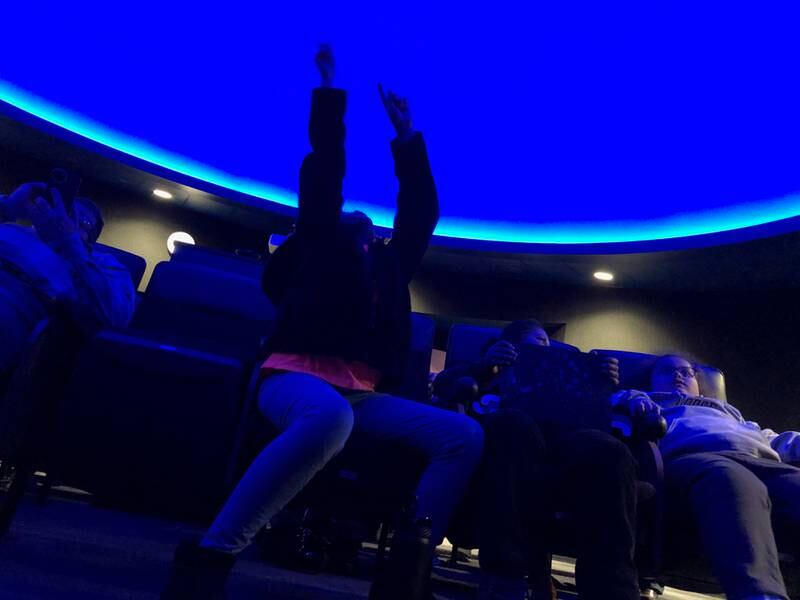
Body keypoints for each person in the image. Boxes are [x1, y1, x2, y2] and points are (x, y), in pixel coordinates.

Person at [162, 46, 484, 600]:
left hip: (363, 394)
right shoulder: (317, 247)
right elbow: (325, 169)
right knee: (328, 417)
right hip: (293, 379)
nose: (355, 214)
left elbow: (420, 214)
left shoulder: (389, 265)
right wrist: (330, 92)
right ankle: (214, 552)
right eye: (342, 214)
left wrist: (407, 138)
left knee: (463, 435)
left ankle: (407, 569)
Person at [435, 319, 641, 600]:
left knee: (611, 451)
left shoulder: (567, 374)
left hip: (567, 443)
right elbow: (443, 386)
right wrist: (484, 367)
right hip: (509, 447)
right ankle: (505, 578)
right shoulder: (485, 371)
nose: (544, 347)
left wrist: (600, 382)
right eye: (534, 341)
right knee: (514, 424)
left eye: (546, 341)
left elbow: (617, 409)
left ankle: (612, 591)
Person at [613, 354, 800, 600]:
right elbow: (618, 402)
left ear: (699, 383)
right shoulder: (649, 399)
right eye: (668, 370)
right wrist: (635, 399)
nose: (679, 375)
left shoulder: (728, 411)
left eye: (687, 372)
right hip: (698, 459)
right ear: (652, 380)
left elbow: (770, 436)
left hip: (761, 460)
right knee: (736, 484)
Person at [0, 182, 135, 376]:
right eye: (63, 212)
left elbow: (114, 318)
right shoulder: (10, 229)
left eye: (83, 222)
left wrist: (67, 240)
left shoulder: (101, 262)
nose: (67, 220)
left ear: (91, 239)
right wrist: (7, 207)